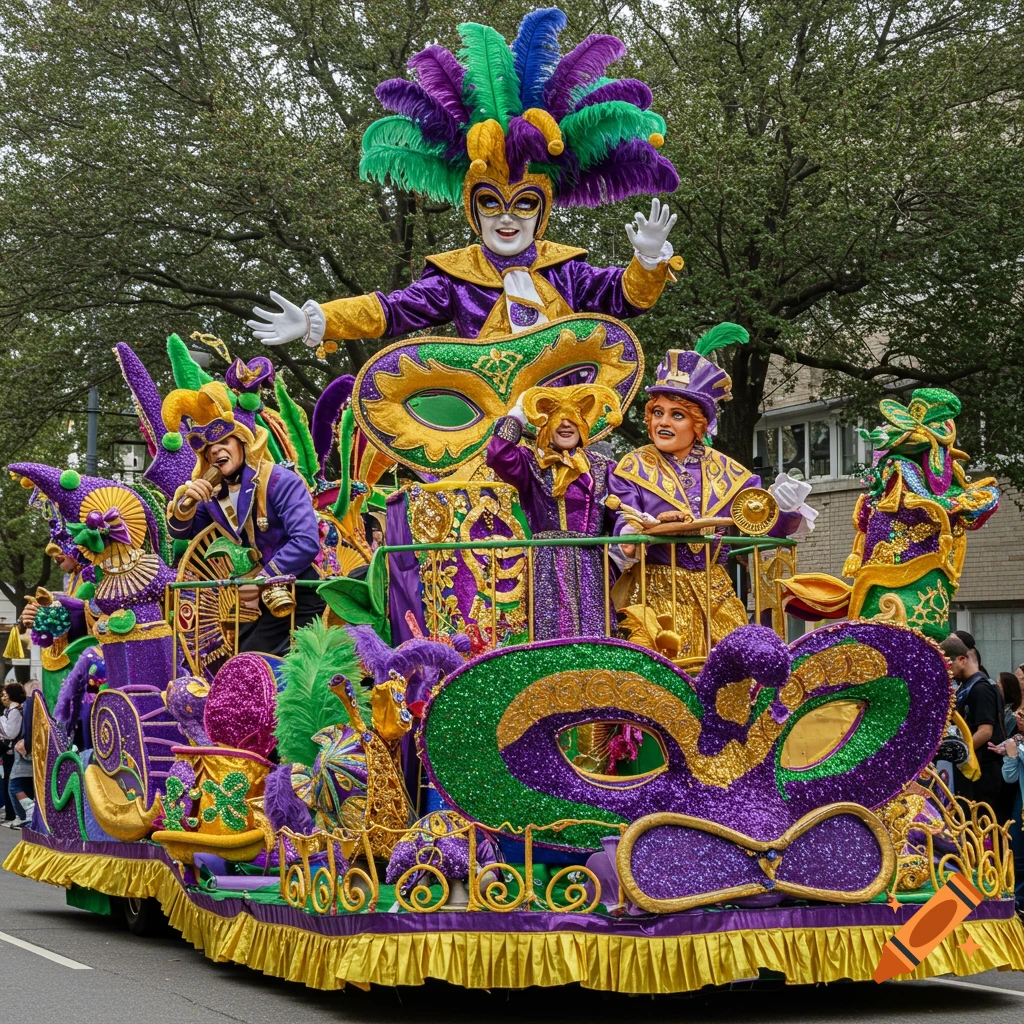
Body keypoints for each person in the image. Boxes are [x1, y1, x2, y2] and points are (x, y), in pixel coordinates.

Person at [246, 15, 680, 356]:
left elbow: (626, 299)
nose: (507, 217)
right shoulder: (457, 278)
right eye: (491, 203)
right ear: (474, 211)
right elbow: (391, 310)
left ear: (541, 213)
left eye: (524, 204)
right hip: (484, 420)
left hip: (563, 421)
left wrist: (646, 261)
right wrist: (318, 319)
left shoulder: (564, 271)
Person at [608, 349, 814, 661]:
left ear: (699, 425)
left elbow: (760, 517)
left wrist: (785, 508)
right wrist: (633, 537)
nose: (662, 422)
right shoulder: (633, 466)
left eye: (677, 415)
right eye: (657, 412)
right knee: (667, 668)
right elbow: (626, 518)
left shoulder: (727, 470)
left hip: (715, 589)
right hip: (657, 589)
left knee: (734, 669)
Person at [163, 382, 324, 656]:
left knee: (262, 662)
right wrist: (183, 506)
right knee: (238, 659)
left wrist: (262, 579)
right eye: (209, 448)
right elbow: (183, 533)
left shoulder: (279, 481)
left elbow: (306, 542)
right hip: (249, 599)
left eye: (224, 441)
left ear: (243, 442)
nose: (215, 452)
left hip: (297, 592)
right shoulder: (214, 496)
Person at [486, 384, 622, 639]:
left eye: (572, 421)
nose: (565, 426)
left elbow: (621, 513)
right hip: (548, 564)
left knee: (596, 632)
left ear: (583, 426)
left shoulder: (604, 467)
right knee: (554, 633)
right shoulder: (530, 464)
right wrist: (519, 413)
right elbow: (497, 455)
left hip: (592, 564)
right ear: (545, 427)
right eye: (558, 422)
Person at [940, 633, 1005, 814]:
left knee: (980, 826)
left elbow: (985, 731)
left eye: (948, 665)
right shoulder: (965, 686)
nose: (947, 671)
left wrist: (959, 753)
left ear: (962, 659)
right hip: (972, 769)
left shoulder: (981, 688)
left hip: (983, 770)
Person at [0, 682, 33, 828]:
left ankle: (27, 813)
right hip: (20, 751)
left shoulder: (15, 711)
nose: (3, 697)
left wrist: (1, 723)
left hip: (20, 752)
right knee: (18, 784)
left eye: (5, 694)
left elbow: (11, 733)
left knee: (13, 785)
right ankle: (24, 815)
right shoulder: (18, 709)